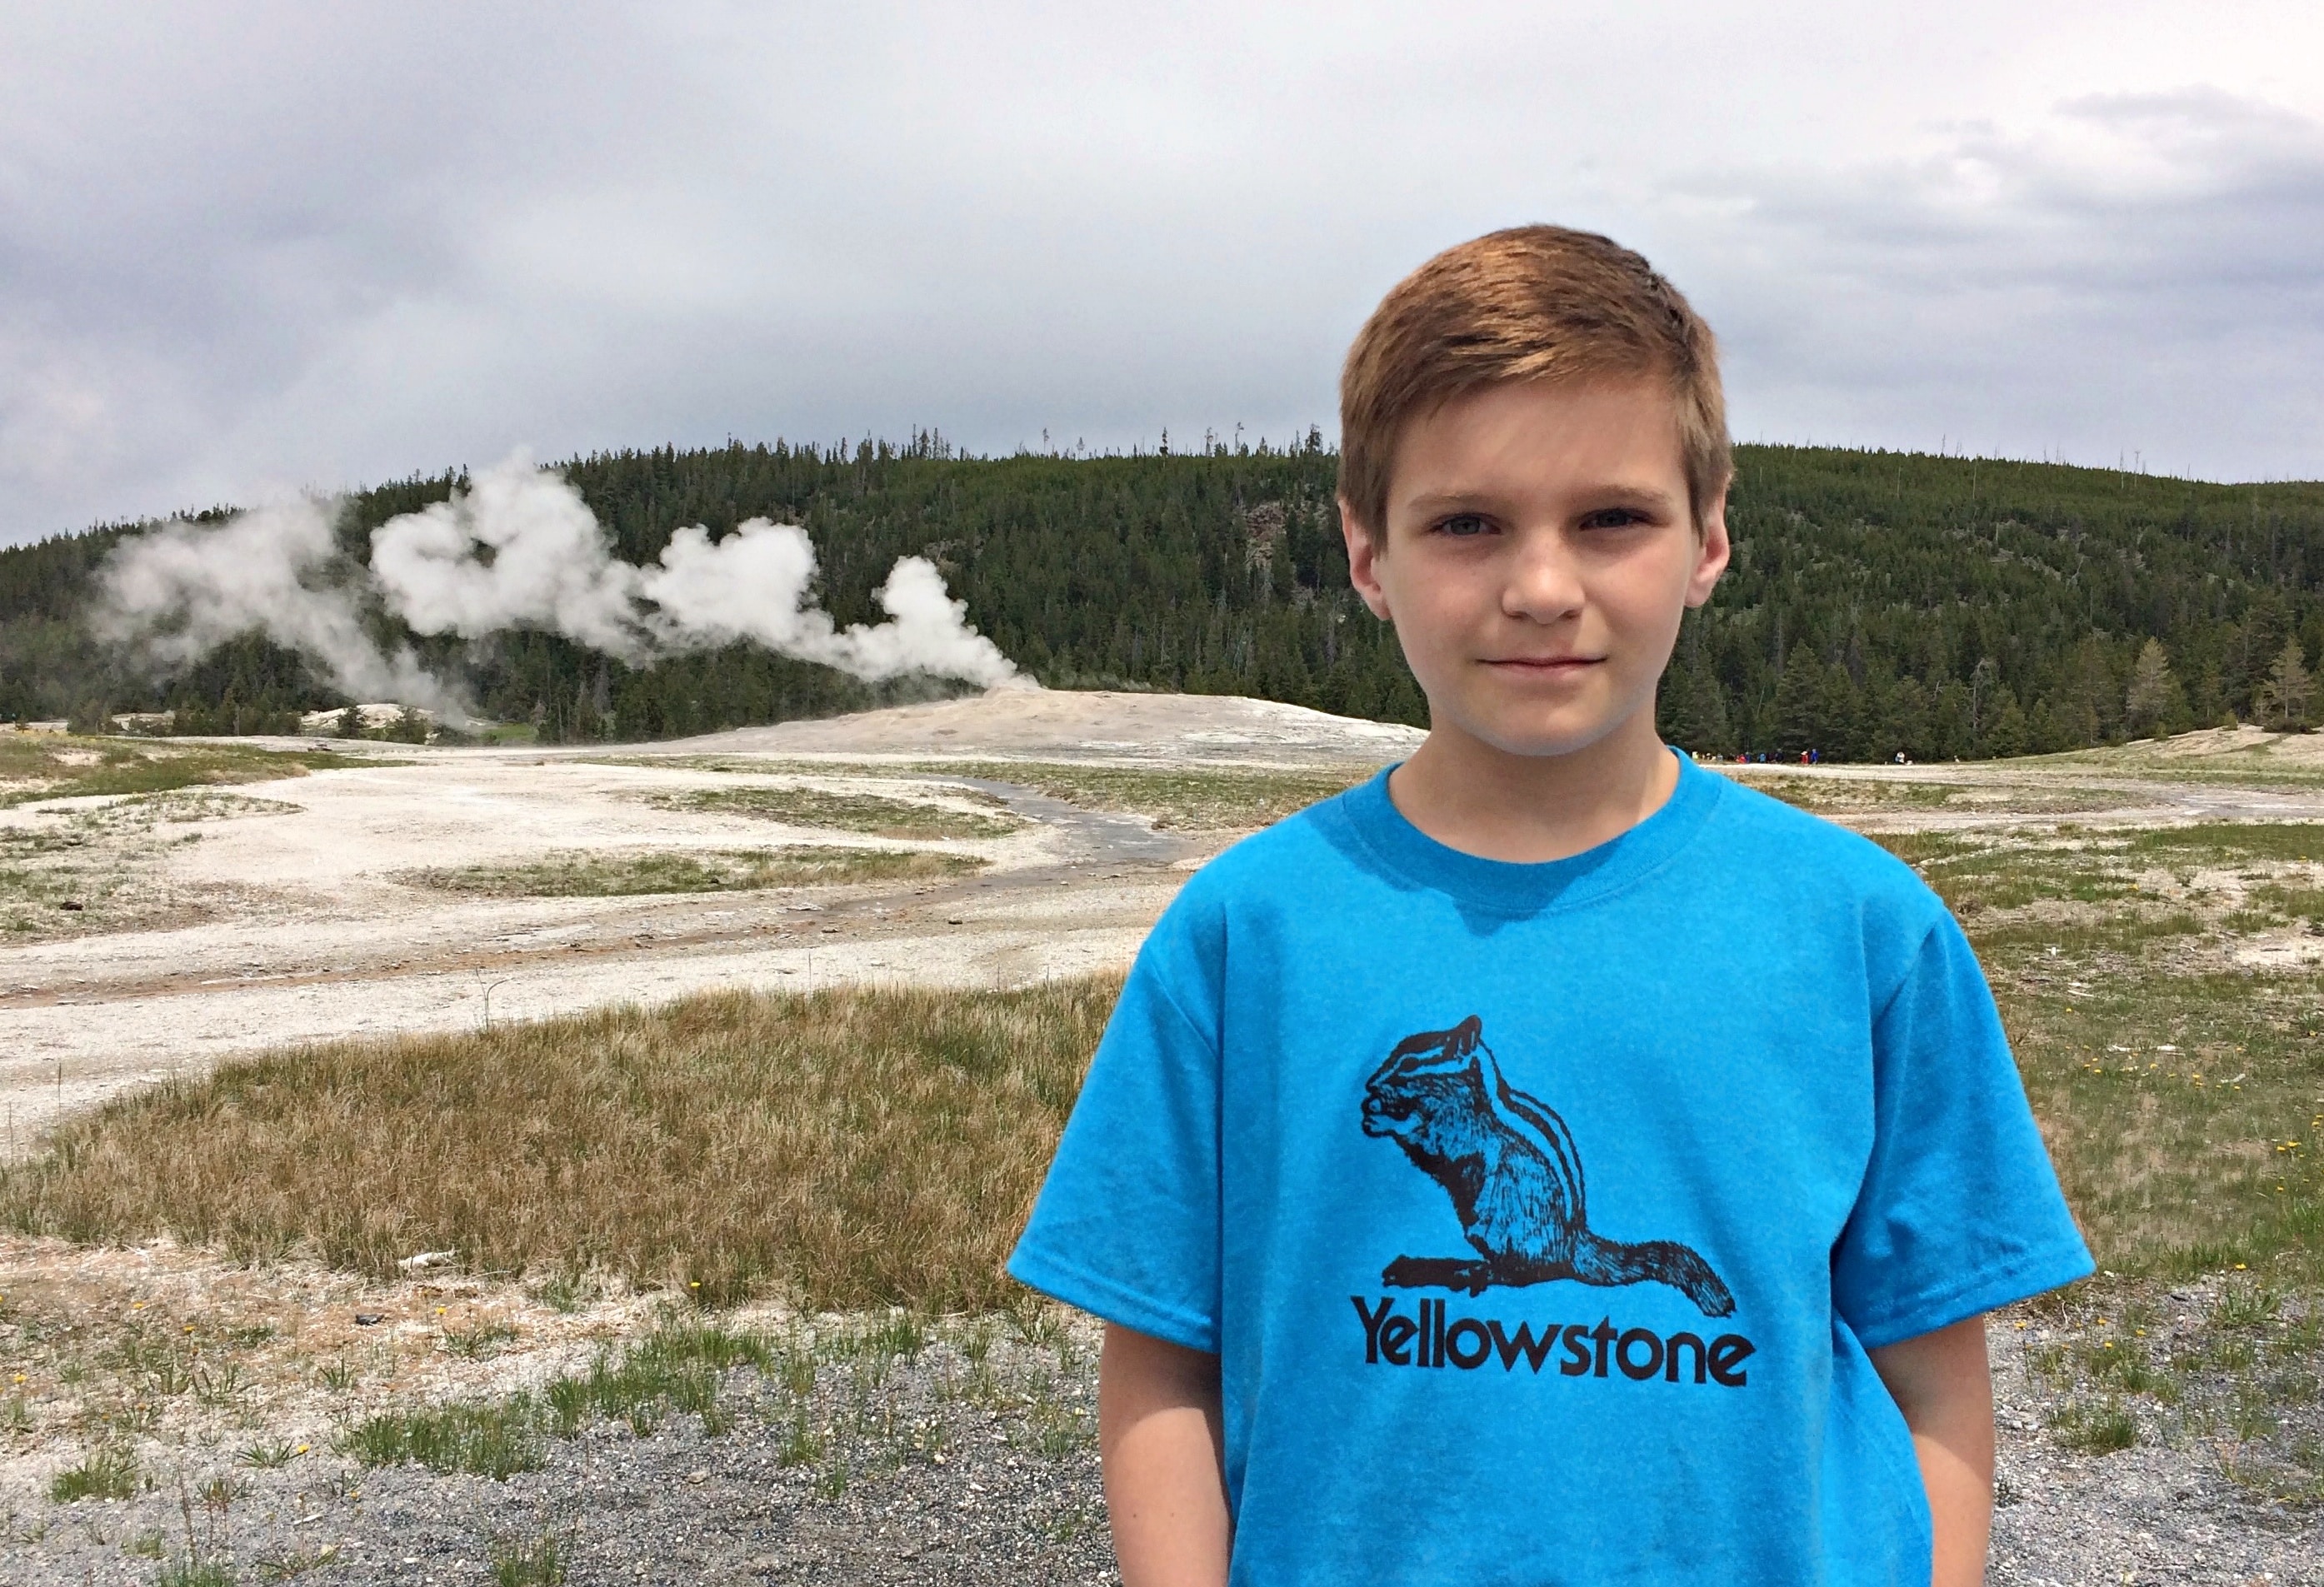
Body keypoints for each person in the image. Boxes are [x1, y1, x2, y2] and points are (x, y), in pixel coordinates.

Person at [1007, 226, 2090, 1586]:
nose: (1539, 586)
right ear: (1365, 554)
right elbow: (1161, 1364)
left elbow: (1935, 1381)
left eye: (1610, 519)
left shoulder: (1863, 929)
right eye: (1466, 523)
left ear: (1705, 541)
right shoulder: (1245, 933)